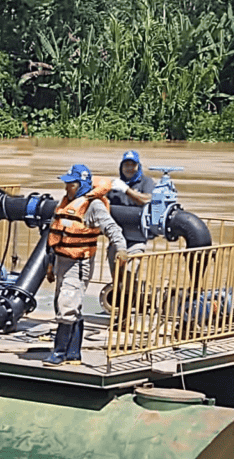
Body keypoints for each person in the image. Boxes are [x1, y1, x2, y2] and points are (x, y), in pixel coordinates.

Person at [44, 164, 130, 366]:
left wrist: (121, 250)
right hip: (61, 261)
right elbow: (54, 235)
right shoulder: (66, 202)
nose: (66, 188)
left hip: (79, 263)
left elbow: (112, 228)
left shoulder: (94, 206)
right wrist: (50, 266)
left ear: (81, 185)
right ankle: (74, 354)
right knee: (66, 304)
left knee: (67, 305)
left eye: (71, 185)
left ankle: (59, 352)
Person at [105, 149, 154, 284]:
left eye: (133, 165)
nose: (129, 168)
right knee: (116, 280)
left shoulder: (146, 182)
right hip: (116, 239)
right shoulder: (115, 185)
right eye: (126, 165)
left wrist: (126, 190)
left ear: (138, 166)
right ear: (121, 167)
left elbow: (146, 200)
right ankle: (120, 302)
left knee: (129, 276)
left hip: (137, 240)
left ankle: (133, 296)